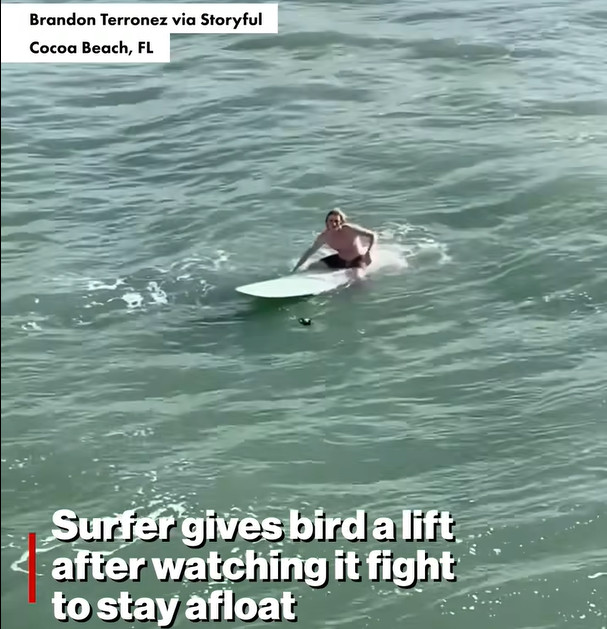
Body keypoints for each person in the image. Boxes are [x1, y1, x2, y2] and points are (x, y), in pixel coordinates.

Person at [292, 209, 377, 273]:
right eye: (331, 221)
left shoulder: (349, 229)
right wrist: (296, 268)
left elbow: (373, 235)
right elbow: (310, 251)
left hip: (358, 259)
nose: (333, 224)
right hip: (341, 260)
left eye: (336, 221)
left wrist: (369, 252)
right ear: (326, 222)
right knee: (312, 267)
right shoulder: (324, 236)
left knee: (358, 278)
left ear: (341, 223)